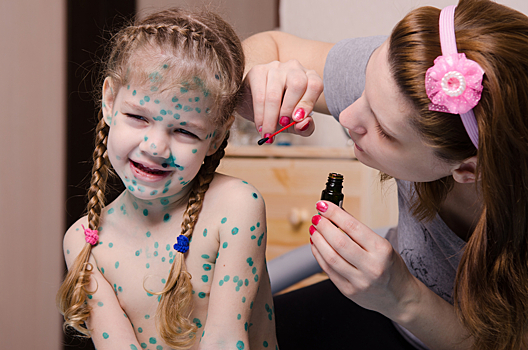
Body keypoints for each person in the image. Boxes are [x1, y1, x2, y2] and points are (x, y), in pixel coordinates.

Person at [238, 0, 528, 349]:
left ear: (467, 168)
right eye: (363, 90)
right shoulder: (407, 78)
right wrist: (259, 81)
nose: (346, 118)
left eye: (384, 131)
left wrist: (405, 298)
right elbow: (273, 46)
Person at [57, 7, 277, 350]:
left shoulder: (236, 207)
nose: (156, 147)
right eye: (138, 117)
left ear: (216, 138)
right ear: (110, 100)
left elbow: (224, 340)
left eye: (185, 131)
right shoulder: (85, 242)